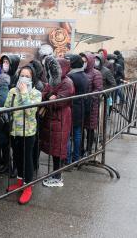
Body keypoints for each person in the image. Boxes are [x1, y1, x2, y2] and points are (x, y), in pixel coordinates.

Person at [5, 64, 42, 204]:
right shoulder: (13, 91)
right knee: (18, 158)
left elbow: (30, 111)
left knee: (27, 159)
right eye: (22, 75)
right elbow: (7, 107)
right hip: (14, 131)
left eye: (28, 76)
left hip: (28, 132)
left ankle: (28, 186)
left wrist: (25, 91)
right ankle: (20, 182)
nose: (24, 78)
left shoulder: (36, 93)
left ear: (32, 78)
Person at [40, 57, 75, 187]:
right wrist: (50, 96)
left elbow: (59, 102)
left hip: (61, 118)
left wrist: (50, 97)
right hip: (52, 118)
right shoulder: (52, 82)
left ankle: (58, 177)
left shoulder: (67, 83)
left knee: (58, 149)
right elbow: (43, 95)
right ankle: (55, 174)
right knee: (55, 148)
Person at [65, 54, 90, 163]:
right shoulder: (84, 75)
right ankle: (76, 158)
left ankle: (68, 160)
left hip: (72, 109)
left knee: (68, 135)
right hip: (81, 108)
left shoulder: (71, 77)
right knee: (77, 134)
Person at [79, 53, 103, 156]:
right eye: (82, 61)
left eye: (85, 61)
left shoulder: (96, 73)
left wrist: (87, 96)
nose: (83, 63)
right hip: (80, 105)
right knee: (80, 129)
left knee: (89, 128)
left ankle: (89, 150)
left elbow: (98, 89)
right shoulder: (80, 72)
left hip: (91, 106)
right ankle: (80, 150)